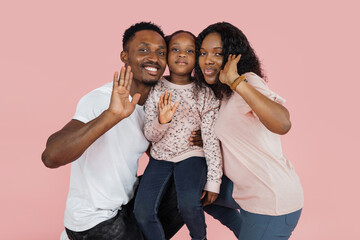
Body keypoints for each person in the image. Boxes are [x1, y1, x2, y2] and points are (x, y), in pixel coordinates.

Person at [41, 22, 187, 240]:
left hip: (126, 206)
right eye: (143, 50)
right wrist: (111, 116)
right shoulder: (101, 99)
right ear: (125, 56)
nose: (153, 58)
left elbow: (161, 158)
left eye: (161, 52)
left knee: (190, 177)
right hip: (94, 221)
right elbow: (51, 157)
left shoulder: (153, 106)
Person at [194, 22, 304, 240]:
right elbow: (238, 135)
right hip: (249, 192)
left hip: (271, 202)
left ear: (233, 58)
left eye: (217, 53)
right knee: (197, 191)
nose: (208, 60)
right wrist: (209, 140)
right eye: (203, 53)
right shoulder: (225, 95)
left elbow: (283, 124)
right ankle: (247, 231)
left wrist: (237, 81)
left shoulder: (247, 82)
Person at [133, 30, 222, 240]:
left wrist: (213, 182)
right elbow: (150, 136)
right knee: (142, 211)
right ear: (166, 55)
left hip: (192, 156)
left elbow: (210, 140)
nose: (182, 55)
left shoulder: (204, 93)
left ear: (197, 58)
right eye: (175, 49)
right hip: (160, 158)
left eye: (189, 51)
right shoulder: (156, 88)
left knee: (189, 205)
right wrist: (162, 121)